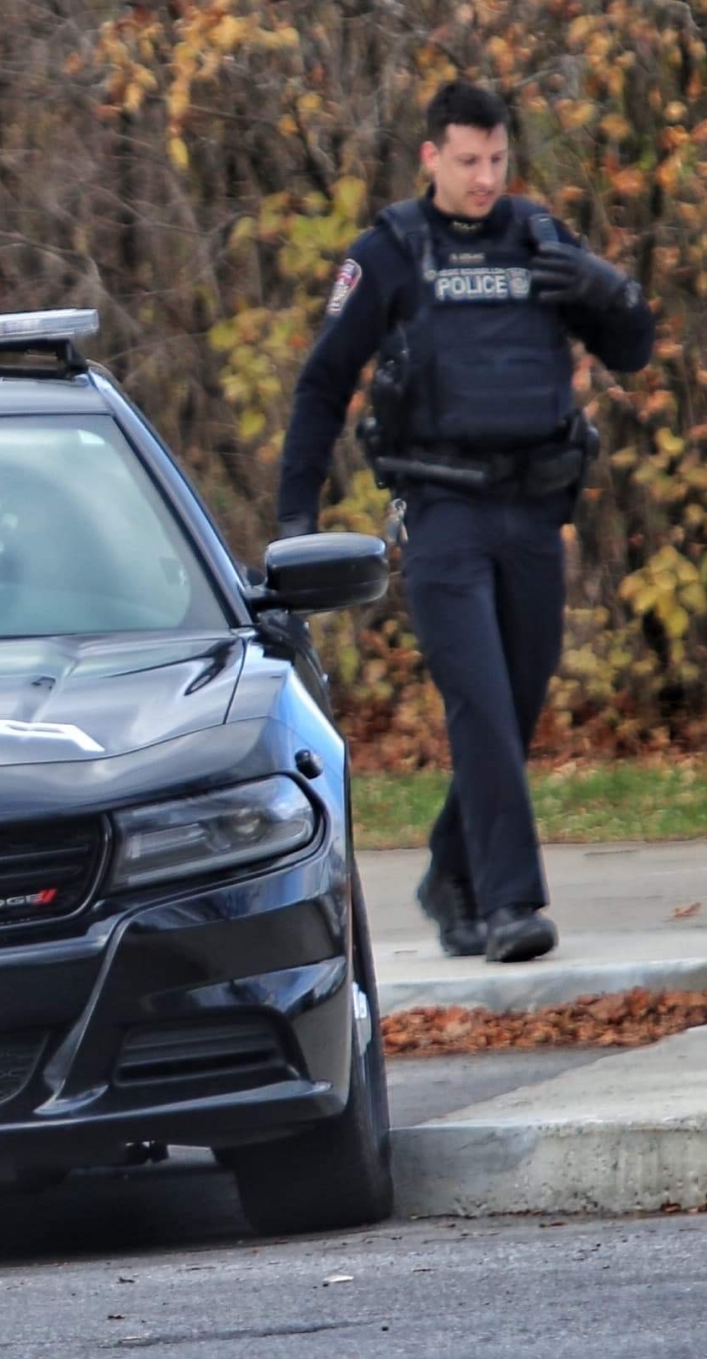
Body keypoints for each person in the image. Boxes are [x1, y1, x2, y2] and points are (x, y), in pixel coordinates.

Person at [276, 82, 655, 965]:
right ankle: (510, 903)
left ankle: (450, 872)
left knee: (515, 704)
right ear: (431, 158)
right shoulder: (391, 252)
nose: (486, 177)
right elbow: (323, 385)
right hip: (441, 511)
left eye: (498, 160)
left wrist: (609, 288)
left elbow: (631, 350)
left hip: (534, 509)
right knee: (480, 702)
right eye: (469, 160)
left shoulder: (542, 240)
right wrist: (297, 516)